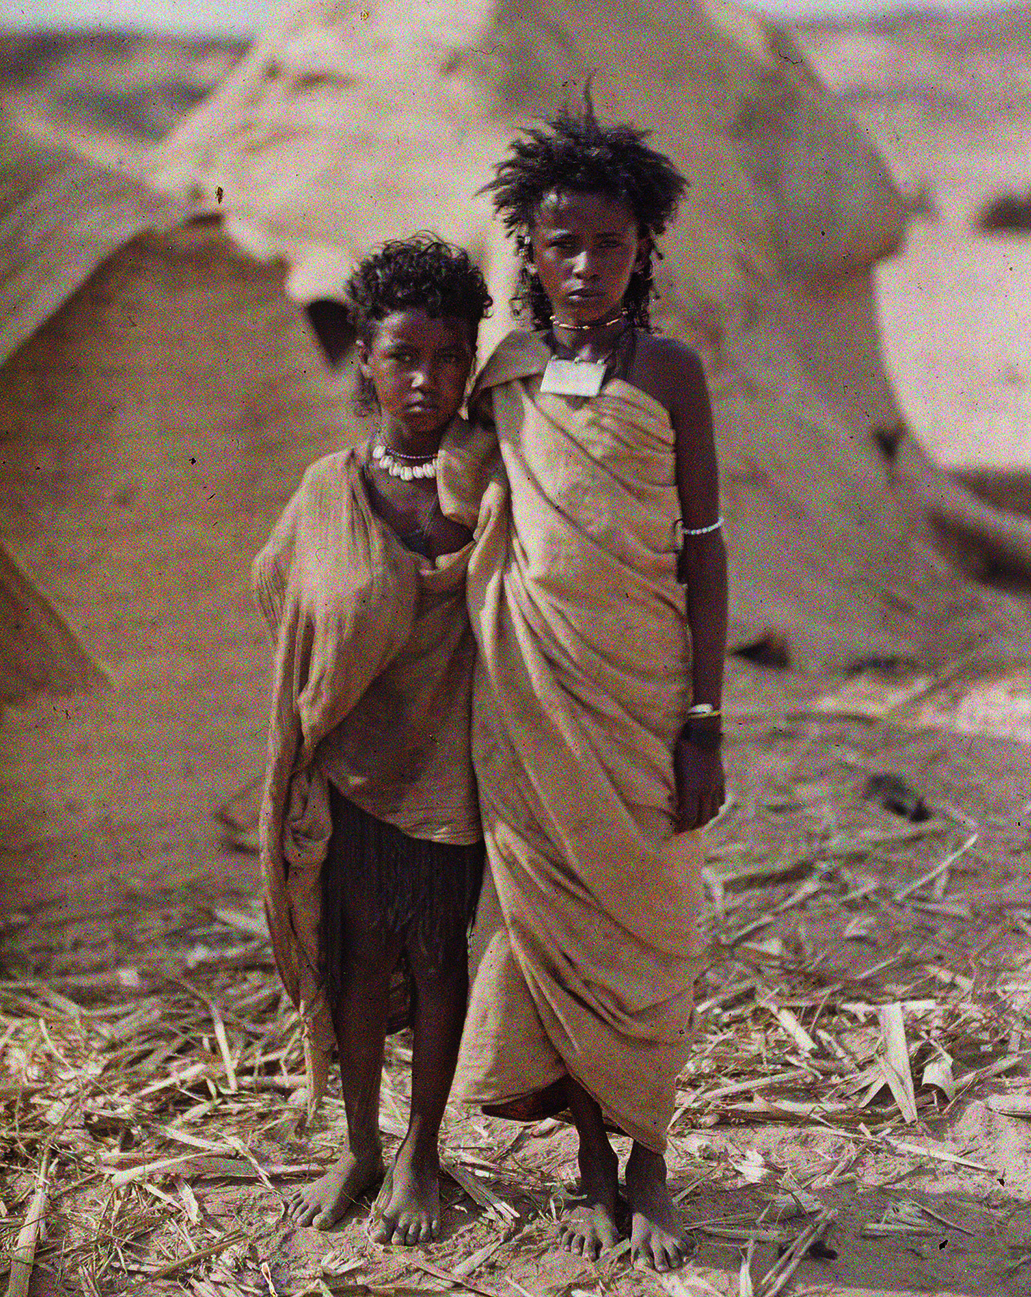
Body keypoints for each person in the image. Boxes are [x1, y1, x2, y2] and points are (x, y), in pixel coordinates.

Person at [453, 103, 728, 1271]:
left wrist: (704, 720)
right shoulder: (502, 372)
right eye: (560, 242)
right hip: (526, 692)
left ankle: (651, 1158)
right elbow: (460, 503)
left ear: (640, 251)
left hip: (644, 694)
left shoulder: (669, 371)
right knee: (548, 924)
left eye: (606, 245)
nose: (582, 265)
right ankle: (589, 1166)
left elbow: (705, 543)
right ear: (527, 245)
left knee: (649, 924)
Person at [254, 235, 495, 1246]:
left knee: (439, 960)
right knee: (354, 962)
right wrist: (335, 668)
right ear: (365, 359)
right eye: (403, 356)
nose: (426, 380)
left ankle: (421, 1151)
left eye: (448, 357)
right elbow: (278, 587)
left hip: (454, 773)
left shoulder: (491, 480)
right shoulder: (329, 488)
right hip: (353, 770)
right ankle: (358, 1141)